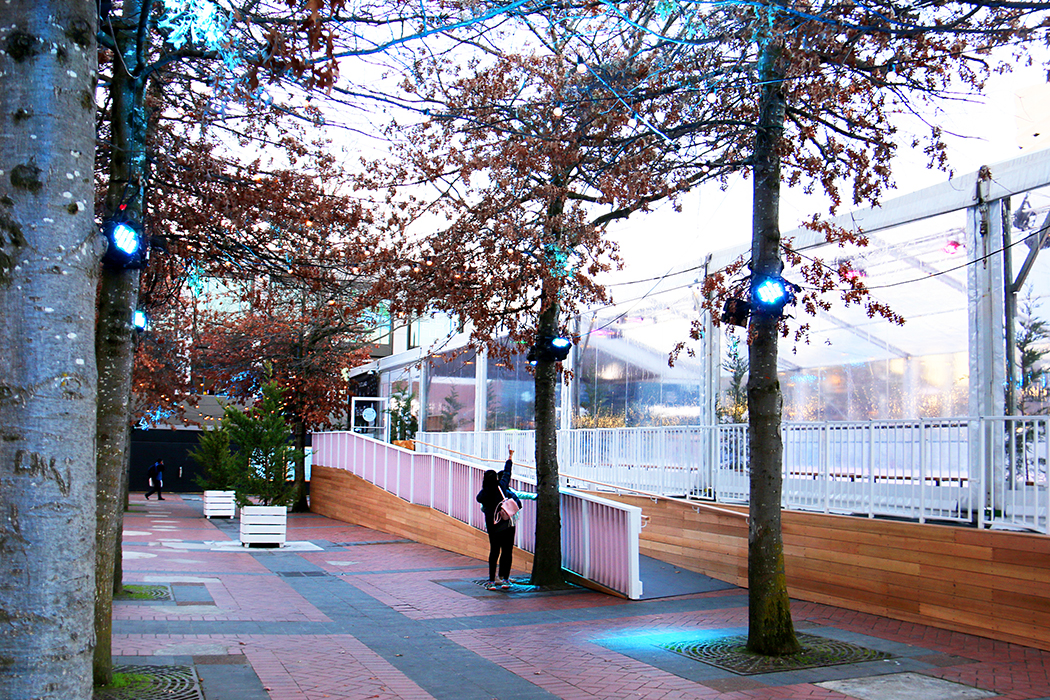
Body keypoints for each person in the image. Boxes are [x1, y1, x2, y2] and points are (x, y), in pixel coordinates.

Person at [476, 448, 535, 589]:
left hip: (492, 526)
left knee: (494, 551)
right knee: (507, 551)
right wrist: (510, 457)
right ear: (496, 479)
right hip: (507, 524)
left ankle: (491, 581)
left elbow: (481, 503)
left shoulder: (483, 495)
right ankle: (506, 579)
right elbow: (507, 473)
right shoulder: (501, 487)